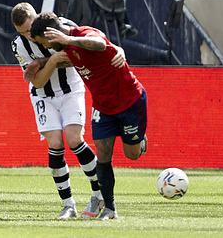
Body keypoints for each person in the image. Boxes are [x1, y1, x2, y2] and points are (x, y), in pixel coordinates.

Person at [10, 2, 125, 219]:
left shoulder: (62, 26)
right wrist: (53, 60)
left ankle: (98, 193)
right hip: (43, 95)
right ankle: (68, 204)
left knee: (74, 139)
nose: (28, 35)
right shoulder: (19, 45)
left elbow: (83, 52)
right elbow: (38, 83)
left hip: (71, 89)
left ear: (37, 18)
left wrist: (45, 61)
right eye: (22, 32)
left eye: (29, 29)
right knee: (55, 143)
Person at [30, 12, 148, 221]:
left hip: (129, 100)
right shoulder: (65, 49)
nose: (46, 47)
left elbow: (100, 44)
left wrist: (70, 40)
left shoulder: (82, 34)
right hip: (103, 106)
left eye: (43, 42)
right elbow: (68, 59)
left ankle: (139, 140)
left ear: (50, 35)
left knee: (132, 154)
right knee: (102, 154)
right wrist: (41, 62)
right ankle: (110, 209)